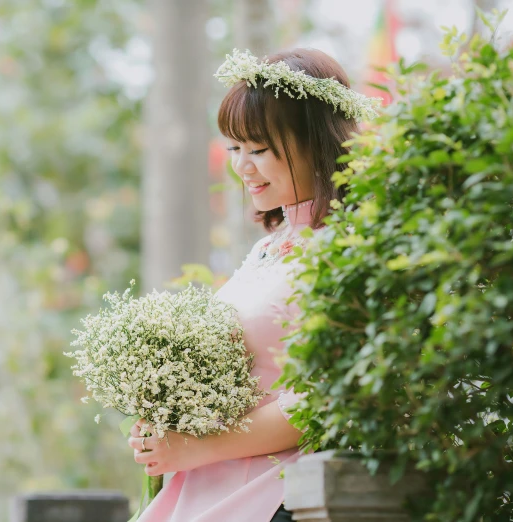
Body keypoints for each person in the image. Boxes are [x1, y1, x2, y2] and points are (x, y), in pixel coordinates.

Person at [125, 47, 379, 522]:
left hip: (276, 490)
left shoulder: (349, 248)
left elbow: (323, 397)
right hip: (207, 479)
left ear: (318, 141)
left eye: (259, 149)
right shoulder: (270, 245)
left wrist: (194, 447)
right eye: (236, 148)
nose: (243, 167)